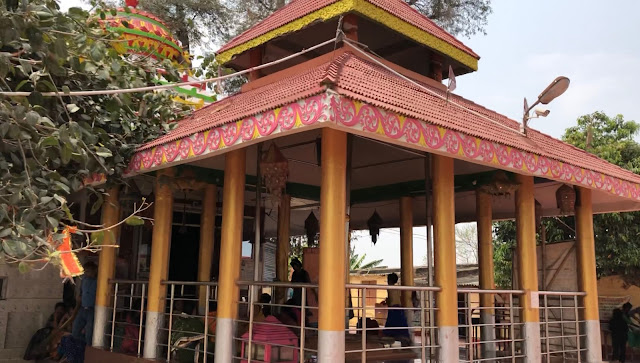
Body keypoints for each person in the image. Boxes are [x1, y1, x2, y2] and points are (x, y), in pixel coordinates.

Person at [72, 261, 98, 345]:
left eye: (88, 271)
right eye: (85, 271)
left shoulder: (98, 282)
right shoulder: (84, 279)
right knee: (75, 329)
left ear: (94, 271)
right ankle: (80, 346)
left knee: (89, 332)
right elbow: (81, 291)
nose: (86, 273)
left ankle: (88, 349)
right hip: (82, 308)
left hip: (92, 309)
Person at [383, 273, 410, 343]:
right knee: (400, 323)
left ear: (390, 280)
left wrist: (387, 302)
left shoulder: (389, 288)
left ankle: (391, 337)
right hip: (399, 307)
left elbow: (390, 299)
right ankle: (402, 338)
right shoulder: (398, 288)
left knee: (392, 323)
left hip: (393, 307)